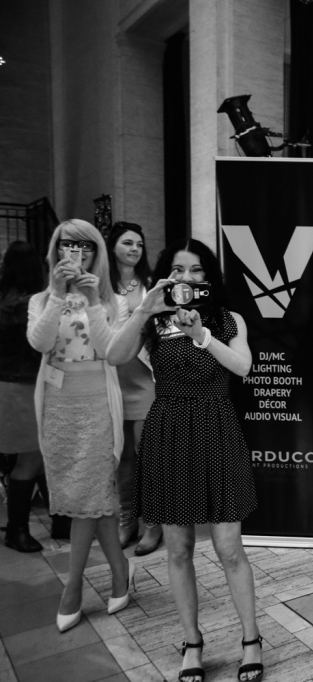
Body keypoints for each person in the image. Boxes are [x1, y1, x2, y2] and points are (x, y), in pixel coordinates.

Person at [107, 239, 263, 682]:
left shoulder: (228, 319)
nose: (188, 278)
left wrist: (201, 336)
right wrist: (143, 309)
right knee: (178, 548)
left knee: (229, 547)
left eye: (196, 270)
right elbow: (114, 356)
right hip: (169, 430)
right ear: (166, 276)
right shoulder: (153, 321)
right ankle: (192, 642)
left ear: (208, 277)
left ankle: (250, 639)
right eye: (178, 270)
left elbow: (242, 367)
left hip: (216, 427)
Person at [26, 219, 133, 632]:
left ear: (96, 253)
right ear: (56, 250)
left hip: (98, 406)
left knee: (90, 491)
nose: (78, 254)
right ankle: (121, 572)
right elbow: (39, 342)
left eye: (86, 247)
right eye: (69, 246)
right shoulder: (41, 298)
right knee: (93, 497)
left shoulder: (112, 303)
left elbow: (111, 350)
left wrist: (90, 298)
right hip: (57, 406)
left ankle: (72, 586)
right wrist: (56, 294)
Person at [106, 222, 161, 555]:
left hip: (145, 378)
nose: (135, 248)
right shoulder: (100, 286)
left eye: (140, 244)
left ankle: (154, 523)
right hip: (113, 379)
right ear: (112, 247)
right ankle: (128, 519)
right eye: (128, 242)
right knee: (123, 456)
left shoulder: (151, 285)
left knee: (148, 454)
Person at [0, 241, 46, 552]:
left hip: (7, 387)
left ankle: (61, 520)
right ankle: (16, 530)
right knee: (31, 460)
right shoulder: (29, 305)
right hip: (23, 389)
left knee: (32, 458)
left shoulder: (4, 299)